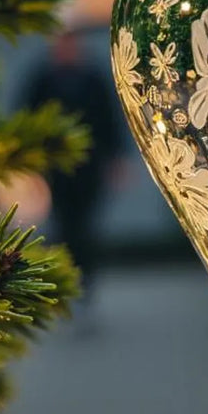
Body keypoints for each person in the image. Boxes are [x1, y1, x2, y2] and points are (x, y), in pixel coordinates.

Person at [20, 29, 124, 303]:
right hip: (55, 168)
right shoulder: (42, 80)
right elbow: (27, 118)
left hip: (89, 166)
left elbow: (110, 121)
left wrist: (116, 160)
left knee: (85, 227)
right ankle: (65, 282)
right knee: (63, 225)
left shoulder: (93, 80)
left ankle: (84, 285)